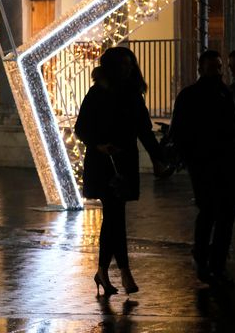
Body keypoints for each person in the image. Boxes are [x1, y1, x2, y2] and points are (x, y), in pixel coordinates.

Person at [75, 46, 167, 297]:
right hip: (104, 160)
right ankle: (123, 271)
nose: (127, 69)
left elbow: (144, 130)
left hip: (124, 161)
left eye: (130, 64)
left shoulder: (134, 95)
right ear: (112, 67)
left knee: (114, 218)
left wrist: (158, 158)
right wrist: (99, 144)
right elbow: (81, 127)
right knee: (116, 216)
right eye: (123, 65)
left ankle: (104, 271)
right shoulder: (97, 93)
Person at [169, 49, 235, 286]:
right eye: (214, 67)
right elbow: (179, 131)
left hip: (224, 162)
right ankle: (207, 259)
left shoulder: (222, 93)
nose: (218, 71)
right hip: (205, 163)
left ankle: (214, 263)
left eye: (219, 67)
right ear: (201, 69)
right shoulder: (199, 95)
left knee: (222, 214)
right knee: (212, 211)